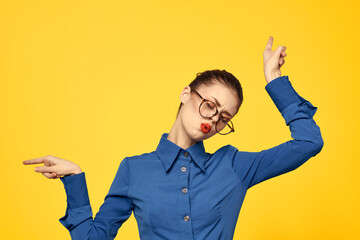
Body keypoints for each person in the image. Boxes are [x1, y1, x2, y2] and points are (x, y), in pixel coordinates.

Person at [23, 36, 324, 240]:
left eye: (224, 118)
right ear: (185, 94)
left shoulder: (233, 165)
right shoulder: (133, 170)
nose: (213, 120)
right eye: (210, 105)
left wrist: (275, 81)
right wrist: (75, 179)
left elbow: (309, 143)